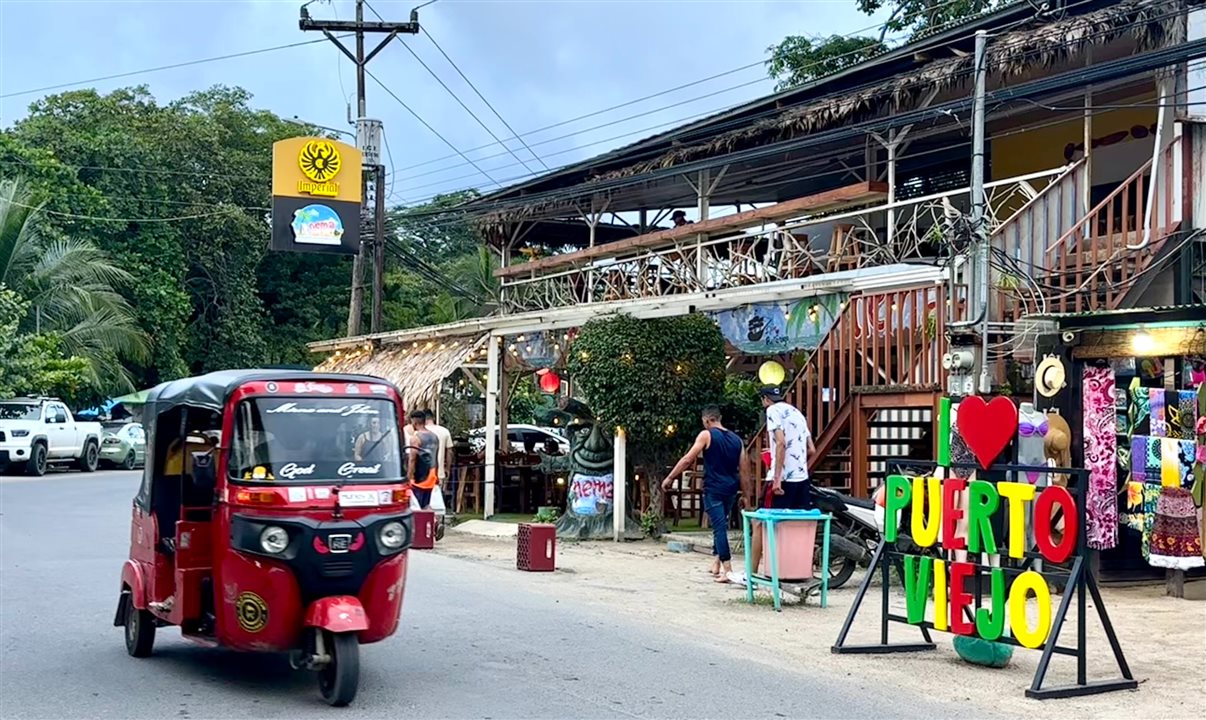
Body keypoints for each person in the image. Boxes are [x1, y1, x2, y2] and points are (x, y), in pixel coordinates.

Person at [735, 386, 817, 585]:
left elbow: (780, 442)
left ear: (765, 399)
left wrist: (778, 476)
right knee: (796, 526)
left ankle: (751, 574)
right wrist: (796, 465)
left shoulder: (772, 411)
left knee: (760, 522)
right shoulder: (797, 414)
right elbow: (812, 449)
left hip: (781, 479)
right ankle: (801, 571)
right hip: (801, 478)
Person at [662, 406, 749, 582]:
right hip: (731, 488)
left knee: (719, 526)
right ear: (719, 417)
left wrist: (670, 477)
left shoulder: (706, 435)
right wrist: (746, 494)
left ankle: (727, 569)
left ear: (706, 420)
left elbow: (688, 459)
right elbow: (745, 469)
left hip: (714, 488)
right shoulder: (737, 440)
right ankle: (716, 563)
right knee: (721, 522)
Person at [406, 410, 440, 510]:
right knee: (426, 504)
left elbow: (412, 459)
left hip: (419, 477)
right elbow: (435, 456)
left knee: (417, 506)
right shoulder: (435, 437)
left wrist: (409, 476)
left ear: (414, 422)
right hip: (432, 475)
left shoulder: (415, 438)